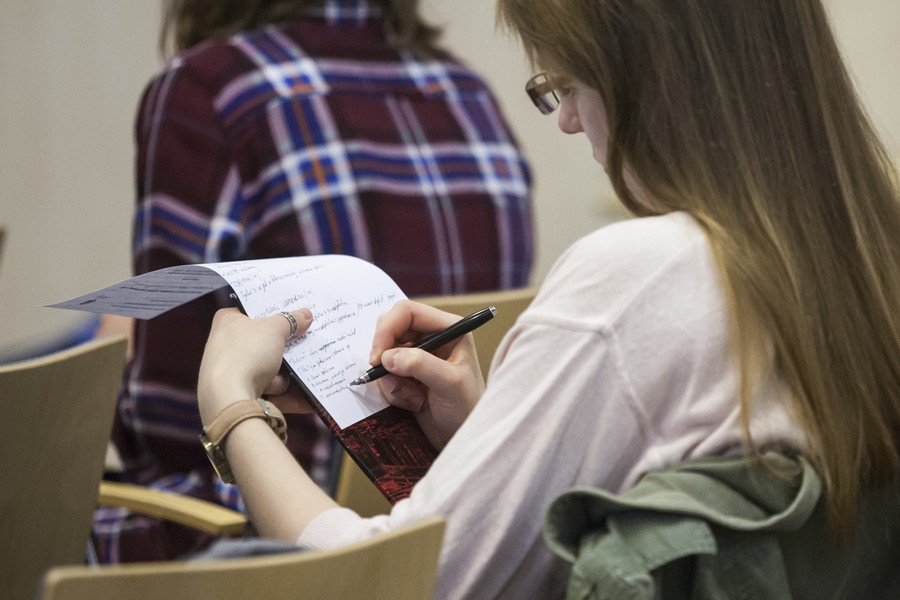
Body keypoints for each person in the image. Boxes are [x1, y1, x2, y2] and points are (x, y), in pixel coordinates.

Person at [193, 0, 900, 597]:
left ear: (645, 69)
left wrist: (232, 404)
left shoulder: (642, 274)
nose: (567, 120)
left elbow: (395, 582)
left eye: (568, 81)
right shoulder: (867, 259)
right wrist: (486, 435)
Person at [93, 0, 534, 563]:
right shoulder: (469, 94)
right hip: (439, 516)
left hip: (279, 525)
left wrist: (111, 370)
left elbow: (169, 427)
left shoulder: (210, 89)